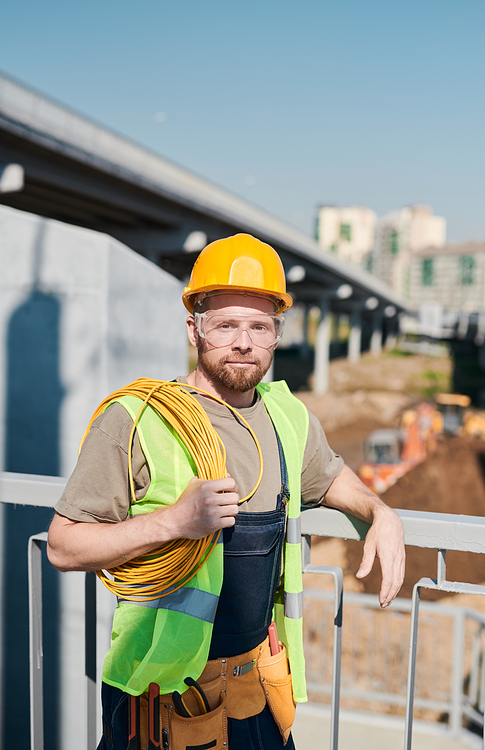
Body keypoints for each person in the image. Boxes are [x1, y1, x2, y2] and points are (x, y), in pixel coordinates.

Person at [47, 233, 405, 750]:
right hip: (159, 693)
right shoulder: (137, 419)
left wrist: (380, 512)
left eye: (259, 326)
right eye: (226, 325)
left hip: (255, 683)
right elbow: (62, 545)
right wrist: (174, 522)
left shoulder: (288, 417)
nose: (243, 342)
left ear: (278, 333)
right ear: (194, 329)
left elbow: (327, 477)